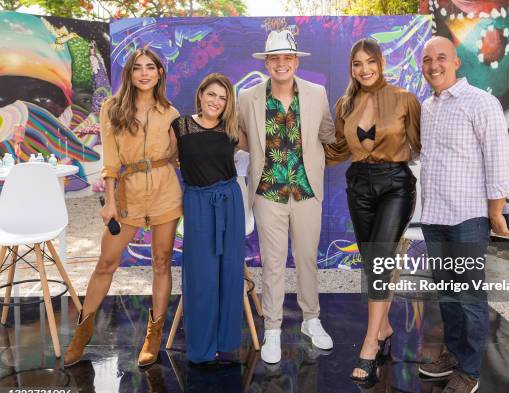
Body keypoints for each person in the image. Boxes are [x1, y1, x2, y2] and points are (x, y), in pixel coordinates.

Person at [64, 47, 181, 368]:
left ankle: (153, 334)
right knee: (106, 262)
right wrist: (111, 202)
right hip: (127, 195)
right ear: (129, 74)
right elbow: (111, 162)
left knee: (161, 263)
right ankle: (83, 329)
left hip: (165, 192)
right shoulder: (112, 109)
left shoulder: (170, 113)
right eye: (137, 68)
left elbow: (176, 157)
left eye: (151, 68)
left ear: (159, 74)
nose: (144, 73)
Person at [417, 36, 509, 393]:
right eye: (427, 60)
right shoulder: (428, 106)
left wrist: (495, 211)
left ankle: (470, 372)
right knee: (448, 294)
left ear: (457, 62)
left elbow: (498, 159)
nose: (434, 65)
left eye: (441, 58)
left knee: (470, 297)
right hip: (435, 216)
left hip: (468, 217)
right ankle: (454, 355)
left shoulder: (482, 103)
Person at [324, 38, 421, 382]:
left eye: (370, 62)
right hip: (359, 186)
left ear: (381, 63)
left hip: (395, 185)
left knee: (380, 259)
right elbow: (337, 149)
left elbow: (423, 145)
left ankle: (369, 344)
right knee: (371, 263)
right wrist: (298, 153)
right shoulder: (344, 105)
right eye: (357, 64)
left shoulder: (405, 100)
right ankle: (385, 328)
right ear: (351, 68)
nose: (364, 70)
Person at [237, 29, 336, 364]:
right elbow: (239, 141)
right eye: (274, 58)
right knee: (273, 263)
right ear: (267, 63)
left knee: (307, 259)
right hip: (268, 192)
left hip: (307, 191)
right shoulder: (247, 97)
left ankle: (311, 320)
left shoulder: (316, 93)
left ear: (296, 61)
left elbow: (327, 135)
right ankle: (273, 329)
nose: (281, 64)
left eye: (287, 58)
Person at [170, 73, 247, 363]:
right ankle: (202, 347)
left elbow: (263, 150)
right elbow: (164, 158)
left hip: (229, 202)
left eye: (223, 98)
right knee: (201, 275)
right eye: (212, 94)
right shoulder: (181, 126)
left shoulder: (232, 129)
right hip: (198, 203)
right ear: (201, 94)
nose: (216, 101)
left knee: (229, 273)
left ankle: (226, 341)